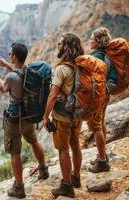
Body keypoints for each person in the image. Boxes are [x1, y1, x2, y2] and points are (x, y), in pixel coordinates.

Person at [0, 43, 49, 198]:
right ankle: (43, 169)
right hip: (29, 116)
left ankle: (19, 187)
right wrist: (7, 65)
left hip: (15, 119)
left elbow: (2, 88)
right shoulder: (27, 70)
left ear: (14, 56)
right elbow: (18, 74)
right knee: (34, 141)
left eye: (10, 53)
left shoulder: (12, 76)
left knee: (15, 152)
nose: (8, 55)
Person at [43, 33, 84, 198]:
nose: (58, 46)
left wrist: (46, 116)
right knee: (75, 145)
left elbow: (53, 96)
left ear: (66, 47)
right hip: (78, 114)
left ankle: (67, 186)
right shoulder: (81, 65)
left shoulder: (61, 69)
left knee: (63, 149)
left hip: (62, 116)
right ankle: (76, 177)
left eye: (60, 44)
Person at [87, 27, 115, 172]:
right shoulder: (107, 54)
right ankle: (101, 155)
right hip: (106, 91)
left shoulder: (95, 57)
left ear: (97, 42)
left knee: (96, 126)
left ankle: (102, 162)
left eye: (91, 39)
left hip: (98, 94)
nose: (89, 41)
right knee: (101, 123)